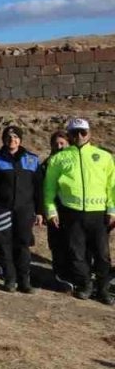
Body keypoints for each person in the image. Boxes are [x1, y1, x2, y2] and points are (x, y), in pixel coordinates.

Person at [42, 118, 114, 304]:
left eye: (83, 132)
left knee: (102, 255)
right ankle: (85, 285)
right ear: (69, 135)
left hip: (98, 214)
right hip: (71, 213)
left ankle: (103, 289)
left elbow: (112, 185)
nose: (79, 136)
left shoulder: (103, 156)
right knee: (76, 253)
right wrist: (51, 211)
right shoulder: (58, 158)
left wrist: (112, 209)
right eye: (75, 133)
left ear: (90, 133)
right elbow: (49, 188)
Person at [0, 126, 41, 293]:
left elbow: (38, 188)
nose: (12, 140)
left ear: (20, 139)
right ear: (3, 139)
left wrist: (40, 211)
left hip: (25, 210)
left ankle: (24, 280)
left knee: (23, 244)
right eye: (9, 137)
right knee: (4, 244)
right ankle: (9, 279)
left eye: (16, 137)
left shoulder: (31, 159)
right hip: (2, 209)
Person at [41, 130, 74, 290]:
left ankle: (75, 275)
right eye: (56, 144)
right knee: (56, 243)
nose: (59, 147)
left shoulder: (75, 162)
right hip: (54, 208)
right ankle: (59, 275)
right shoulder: (47, 163)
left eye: (62, 143)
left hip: (72, 209)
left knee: (72, 243)